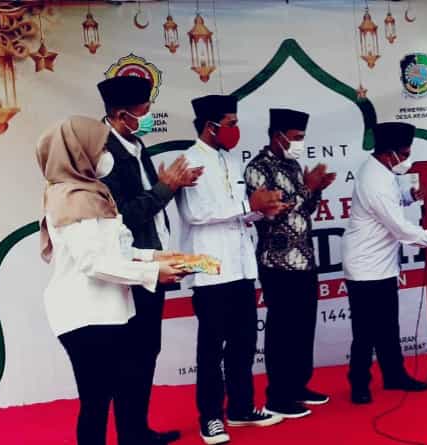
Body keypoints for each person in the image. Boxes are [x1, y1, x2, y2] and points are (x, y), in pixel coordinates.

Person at [36, 116, 188, 445]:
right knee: (96, 403)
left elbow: (117, 250)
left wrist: (157, 258)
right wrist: (152, 273)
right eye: (100, 148)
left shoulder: (92, 192)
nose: (106, 154)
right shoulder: (72, 198)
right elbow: (93, 262)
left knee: (114, 390)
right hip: (85, 316)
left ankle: (134, 436)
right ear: (80, 152)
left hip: (107, 312)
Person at [98, 76, 203, 444]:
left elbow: (149, 202)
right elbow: (121, 217)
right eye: (143, 110)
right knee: (133, 354)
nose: (148, 116)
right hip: (131, 267)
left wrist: (173, 185)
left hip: (151, 262)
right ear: (120, 114)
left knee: (146, 350)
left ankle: (137, 429)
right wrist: (165, 187)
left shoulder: (135, 144)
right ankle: (131, 433)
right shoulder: (105, 156)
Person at [177, 95, 286, 444]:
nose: (235, 130)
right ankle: (210, 417)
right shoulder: (188, 161)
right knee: (211, 349)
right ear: (210, 126)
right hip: (211, 270)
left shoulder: (231, 160)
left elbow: (238, 212)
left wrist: (262, 210)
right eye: (231, 123)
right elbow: (196, 213)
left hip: (241, 267)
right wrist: (247, 204)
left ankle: (241, 408)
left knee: (243, 342)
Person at [341, 122, 427, 404]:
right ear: (389, 154)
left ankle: (394, 376)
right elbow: (402, 230)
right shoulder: (374, 181)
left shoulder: (383, 171)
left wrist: (409, 196)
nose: (407, 159)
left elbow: (389, 206)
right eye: (405, 154)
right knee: (365, 331)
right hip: (365, 266)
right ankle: (359, 384)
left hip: (381, 264)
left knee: (388, 326)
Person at [244, 108, 336, 418]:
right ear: (278, 135)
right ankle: (278, 396)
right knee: (282, 330)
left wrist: (316, 190)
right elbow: (274, 211)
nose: (300, 143)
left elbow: (304, 210)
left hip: (305, 259)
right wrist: (307, 187)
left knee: (303, 327)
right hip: (277, 263)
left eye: (302, 137)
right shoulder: (257, 169)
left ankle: (298, 385)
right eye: (296, 137)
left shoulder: (293, 165)